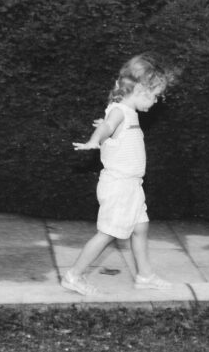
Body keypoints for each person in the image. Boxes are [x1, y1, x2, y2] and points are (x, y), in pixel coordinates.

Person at [62, 52, 176, 295]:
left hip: (132, 185)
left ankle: (144, 276)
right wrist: (95, 140)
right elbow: (108, 126)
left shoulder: (126, 112)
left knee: (140, 227)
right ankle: (74, 275)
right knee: (108, 234)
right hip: (119, 185)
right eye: (155, 95)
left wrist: (104, 131)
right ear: (141, 88)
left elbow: (111, 127)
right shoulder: (120, 111)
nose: (156, 101)